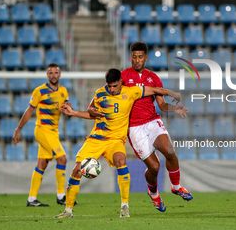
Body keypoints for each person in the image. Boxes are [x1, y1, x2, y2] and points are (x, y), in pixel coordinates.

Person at [55, 68, 183, 218]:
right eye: (109, 86)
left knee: (121, 161)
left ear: (121, 82)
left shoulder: (131, 92)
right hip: (96, 139)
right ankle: (68, 210)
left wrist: (173, 93)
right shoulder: (99, 93)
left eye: (114, 86)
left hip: (115, 141)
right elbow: (92, 113)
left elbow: (154, 89)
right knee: (77, 170)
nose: (111, 89)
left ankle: (124, 207)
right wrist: (74, 112)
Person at [118, 42, 193, 212]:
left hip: (152, 121)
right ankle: (154, 194)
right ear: (131, 57)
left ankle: (176, 186)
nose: (137, 60)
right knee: (154, 167)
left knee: (171, 153)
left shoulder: (153, 78)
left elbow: (162, 105)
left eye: (140, 57)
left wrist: (175, 108)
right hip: (134, 127)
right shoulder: (123, 77)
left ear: (145, 58)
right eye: (134, 57)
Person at [13, 63, 74, 206]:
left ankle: (31, 199)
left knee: (42, 163)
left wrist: (70, 109)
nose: (53, 75)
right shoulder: (39, 91)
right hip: (42, 130)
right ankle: (61, 197)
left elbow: (68, 110)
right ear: (47, 75)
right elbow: (29, 111)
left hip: (54, 132)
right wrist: (18, 129)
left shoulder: (64, 91)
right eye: (51, 73)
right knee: (62, 158)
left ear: (60, 74)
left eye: (56, 72)